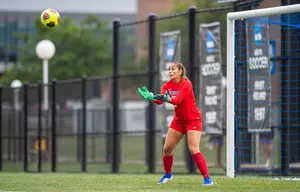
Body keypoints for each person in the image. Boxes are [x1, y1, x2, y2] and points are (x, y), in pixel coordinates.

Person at [138, 61, 213, 185]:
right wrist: (151, 98)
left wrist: (165, 98)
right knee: (167, 149)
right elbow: (160, 100)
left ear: (180, 71)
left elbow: (178, 100)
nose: (170, 72)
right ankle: (168, 175)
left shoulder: (186, 83)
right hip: (178, 121)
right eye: (169, 69)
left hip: (193, 120)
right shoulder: (167, 85)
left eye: (173, 69)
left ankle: (207, 179)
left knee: (194, 149)